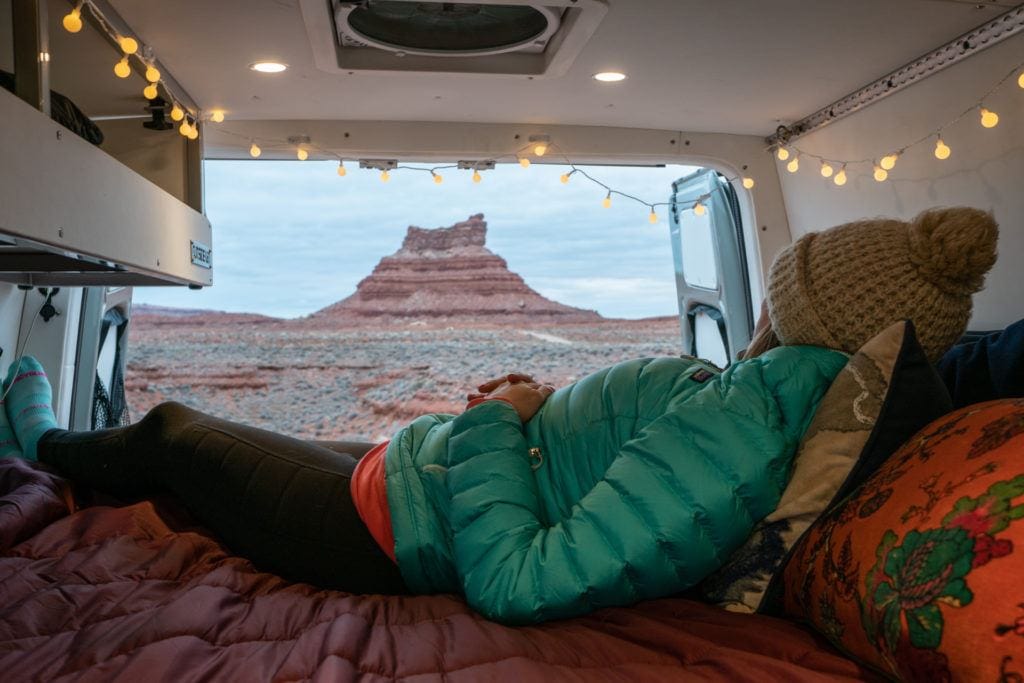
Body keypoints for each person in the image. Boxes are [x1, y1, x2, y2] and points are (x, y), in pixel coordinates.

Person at [0, 207, 999, 625]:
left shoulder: (748, 424)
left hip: (405, 527)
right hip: (421, 476)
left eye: (783, 287)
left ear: (807, 310)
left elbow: (521, 580)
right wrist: (528, 421)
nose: (766, 302)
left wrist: (501, 418)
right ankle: (63, 452)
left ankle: (36, 446)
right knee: (193, 448)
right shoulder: (765, 400)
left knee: (175, 430)